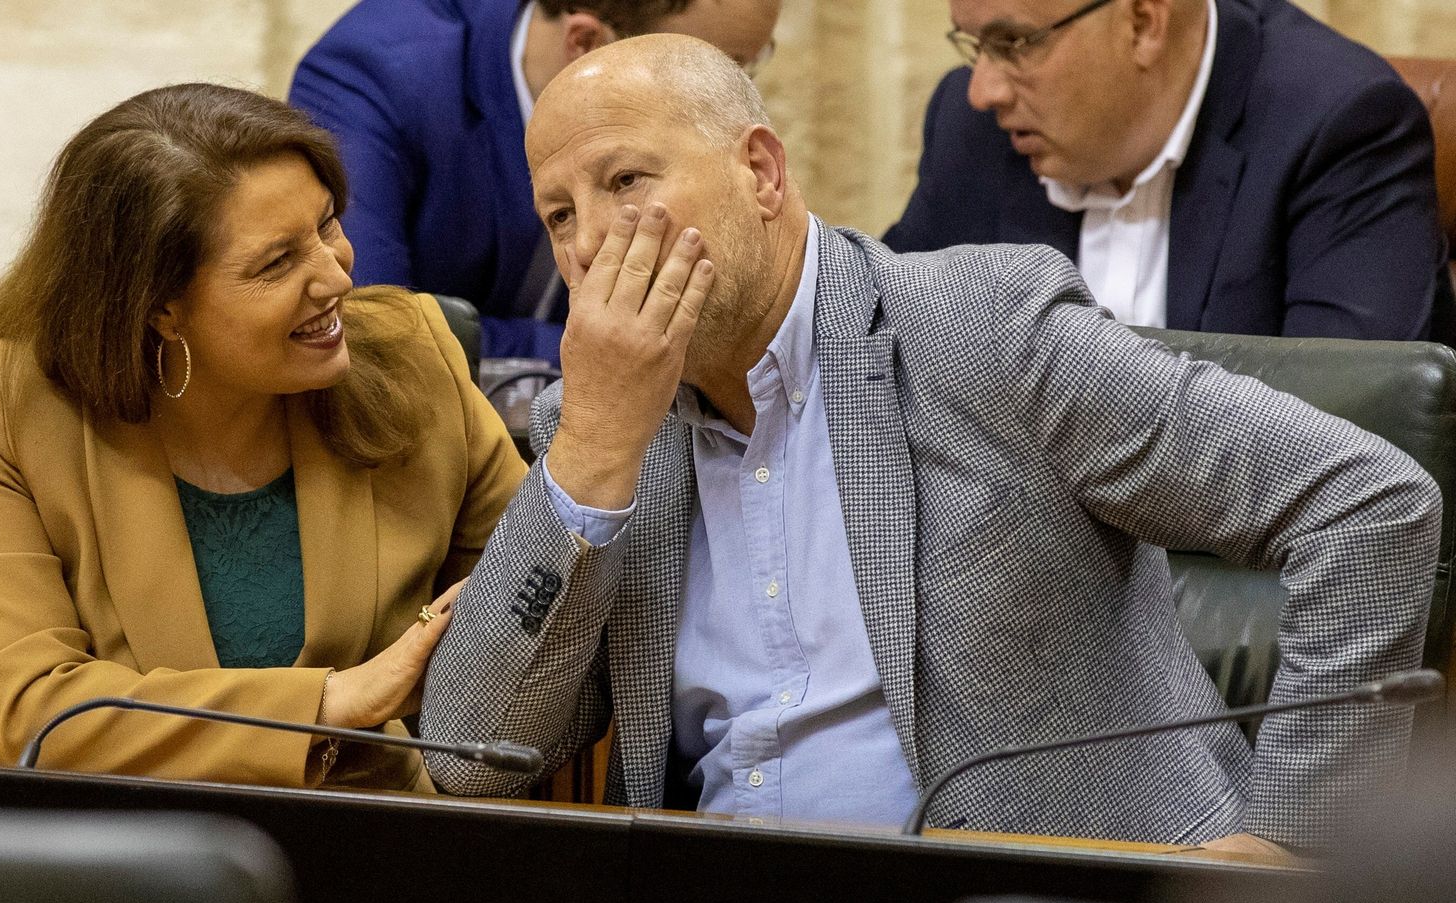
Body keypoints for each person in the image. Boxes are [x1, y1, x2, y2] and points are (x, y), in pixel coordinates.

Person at [418, 35, 1441, 852]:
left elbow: (1366, 501)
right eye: (559, 214)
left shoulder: (983, 329)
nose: (592, 241)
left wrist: (1291, 844)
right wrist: (591, 459)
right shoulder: (592, 436)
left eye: (627, 181)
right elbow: (470, 760)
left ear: (761, 171)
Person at [0, 83, 528, 790]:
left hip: (359, 832)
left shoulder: (413, 355)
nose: (335, 277)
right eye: (277, 262)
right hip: (70, 846)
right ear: (159, 308)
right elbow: (37, 713)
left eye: (327, 226)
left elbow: (530, 598)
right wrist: (336, 702)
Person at [883, 0, 1456, 346]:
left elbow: (1333, 448)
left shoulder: (1341, 126)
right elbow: (879, 356)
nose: (983, 89)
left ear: (1142, 21)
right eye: (975, 43)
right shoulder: (971, 124)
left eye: (1013, 43)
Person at [288, 0, 781, 363]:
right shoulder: (372, 78)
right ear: (586, 42)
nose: (735, 97)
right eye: (724, 66)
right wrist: (604, 346)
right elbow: (370, 324)